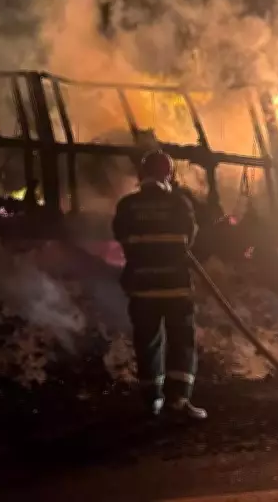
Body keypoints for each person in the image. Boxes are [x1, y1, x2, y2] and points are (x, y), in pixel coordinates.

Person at [112, 150, 208, 420]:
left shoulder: (127, 206)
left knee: (147, 341)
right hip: (175, 286)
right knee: (181, 341)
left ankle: (151, 400)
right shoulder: (179, 203)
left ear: (142, 175)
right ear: (169, 174)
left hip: (142, 287)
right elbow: (189, 239)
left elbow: (121, 236)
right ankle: (178, 400)